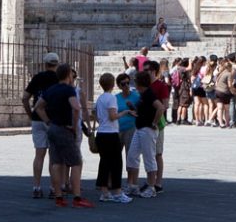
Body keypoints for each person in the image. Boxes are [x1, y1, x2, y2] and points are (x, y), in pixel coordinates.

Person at [39, 64, 90, 207]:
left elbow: (38, 106)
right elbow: (76, 108)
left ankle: (59, 197)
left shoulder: (50, 90)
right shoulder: (69, 90)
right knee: (76, 162)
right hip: (64, 129)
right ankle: (77, 197)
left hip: (53, 127)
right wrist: (74, 127)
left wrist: (47, 121)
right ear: (68, 75)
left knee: (56, 163)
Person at [23, 52, 61, 199]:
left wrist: (30, 114)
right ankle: (53, 188)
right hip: (54, 120)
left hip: (37, 119)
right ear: (57, 64)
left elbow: (25, 98)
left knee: (39, 154)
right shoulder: (59, 79)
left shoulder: (37, 77)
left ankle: (36, 187)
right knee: (53, 155)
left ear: (45, 64)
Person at [92, 73, 129, 202]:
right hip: (111, 134)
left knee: (104, 163)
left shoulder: (100, 98)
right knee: (116, 162)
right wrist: (124, 112)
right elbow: (113, 116)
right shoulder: (111, 98)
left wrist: (101, 121)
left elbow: (94, 113)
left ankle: (104, 192)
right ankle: (117, 191)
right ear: (113, 84)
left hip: (101, 133)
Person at [126, 71, 159, 198]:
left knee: (149, 157)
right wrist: (133, 107)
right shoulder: (143, 94)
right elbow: (144, 111)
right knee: (132, 156)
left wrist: (154, 123)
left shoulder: (149, 94)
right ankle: (133, 185)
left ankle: (151, 186)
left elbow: (160, 107)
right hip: (140, 128)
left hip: (147, 129)